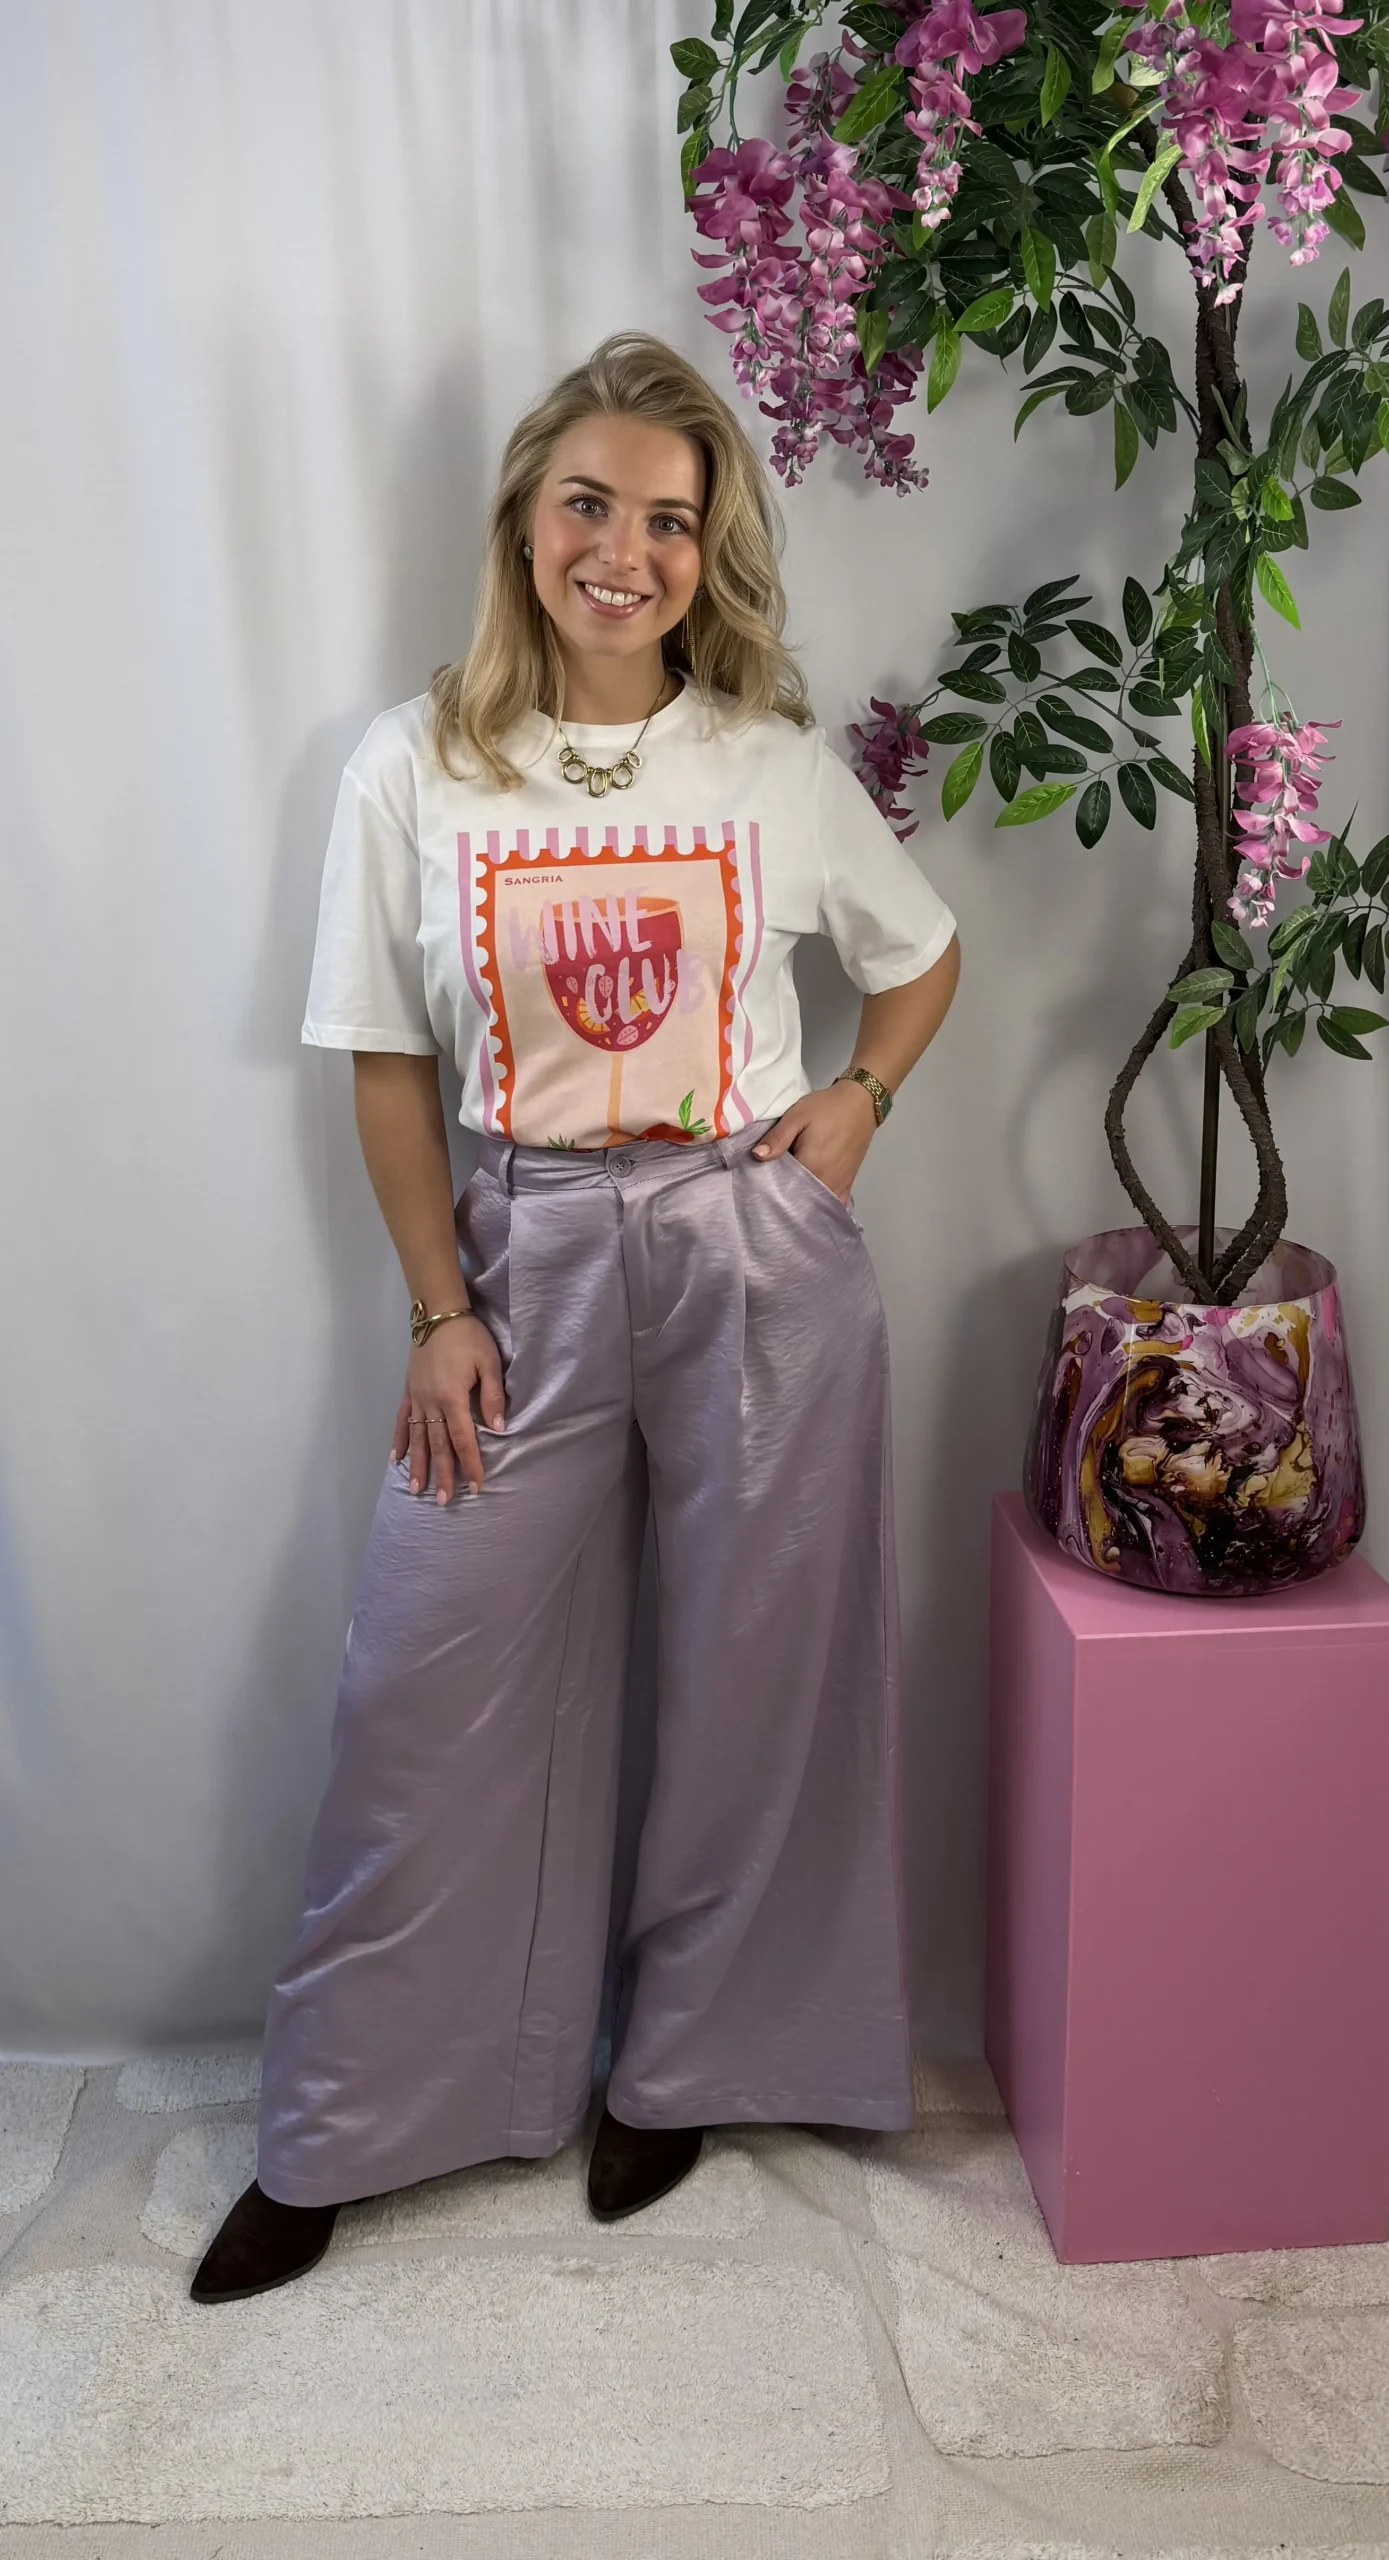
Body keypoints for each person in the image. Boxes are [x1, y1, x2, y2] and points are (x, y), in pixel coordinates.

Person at [191, 331, 960, 2304]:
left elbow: (924, 955)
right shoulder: (414, 762)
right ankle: (350, 2115)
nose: (626, 551)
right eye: (589, 505)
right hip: (521, 1251)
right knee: (425, 1680)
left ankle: (691, 2065)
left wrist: (857, 1104)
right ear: (525, 522)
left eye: (670, 521)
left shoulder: (769, 763)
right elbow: (383, 1060)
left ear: (713, 554)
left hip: (750, 1245)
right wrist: (436, 1307)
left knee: (759, 1673)